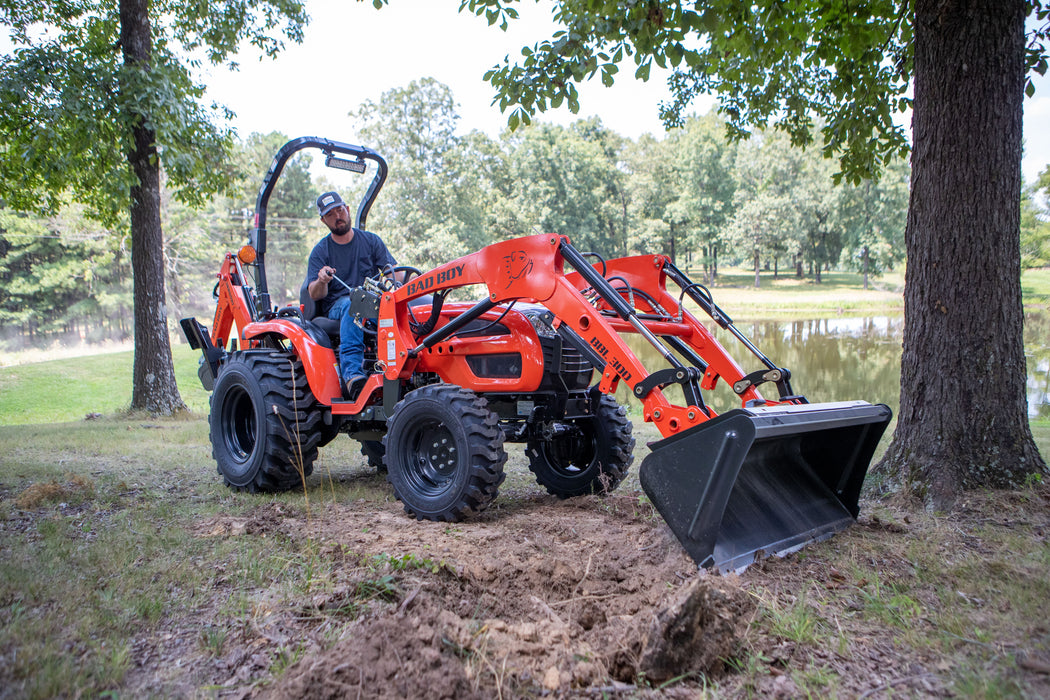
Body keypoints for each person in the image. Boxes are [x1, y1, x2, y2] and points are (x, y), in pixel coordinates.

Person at [306, 191, 397, 398]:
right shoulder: (321, 251)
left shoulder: (371, 242)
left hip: (373, 302)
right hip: (339, 306)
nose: (337, 216)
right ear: (323, 220)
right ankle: (352, 376)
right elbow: (314, 293)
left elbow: (395, 272)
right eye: (330, 214)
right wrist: (321, 280)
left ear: (347, 209)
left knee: (398, 304)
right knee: (353, 304)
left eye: (340, 210)